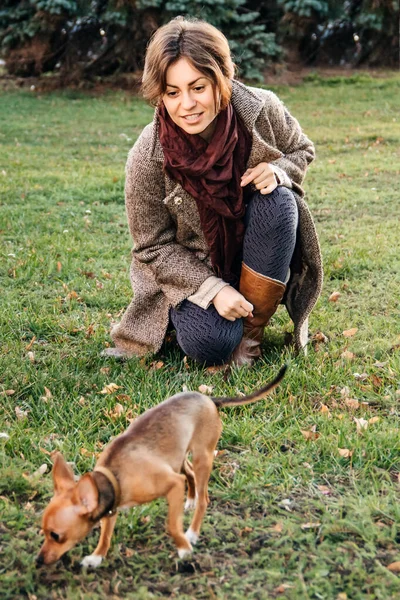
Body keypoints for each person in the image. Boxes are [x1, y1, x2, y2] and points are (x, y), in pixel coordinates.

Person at [106, 17, 323, 366]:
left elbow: (301, 148)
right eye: (172, 93)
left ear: (221, 79)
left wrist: (279, 170)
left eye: (198, 87)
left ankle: (250, 336)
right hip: (194, 271)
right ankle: (199, 323)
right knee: (211, 342)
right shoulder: (147, 155)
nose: (187, 104)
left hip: (256, 254)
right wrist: (212, 289)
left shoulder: (259, 108)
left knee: (279, 199)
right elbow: (152, 245)